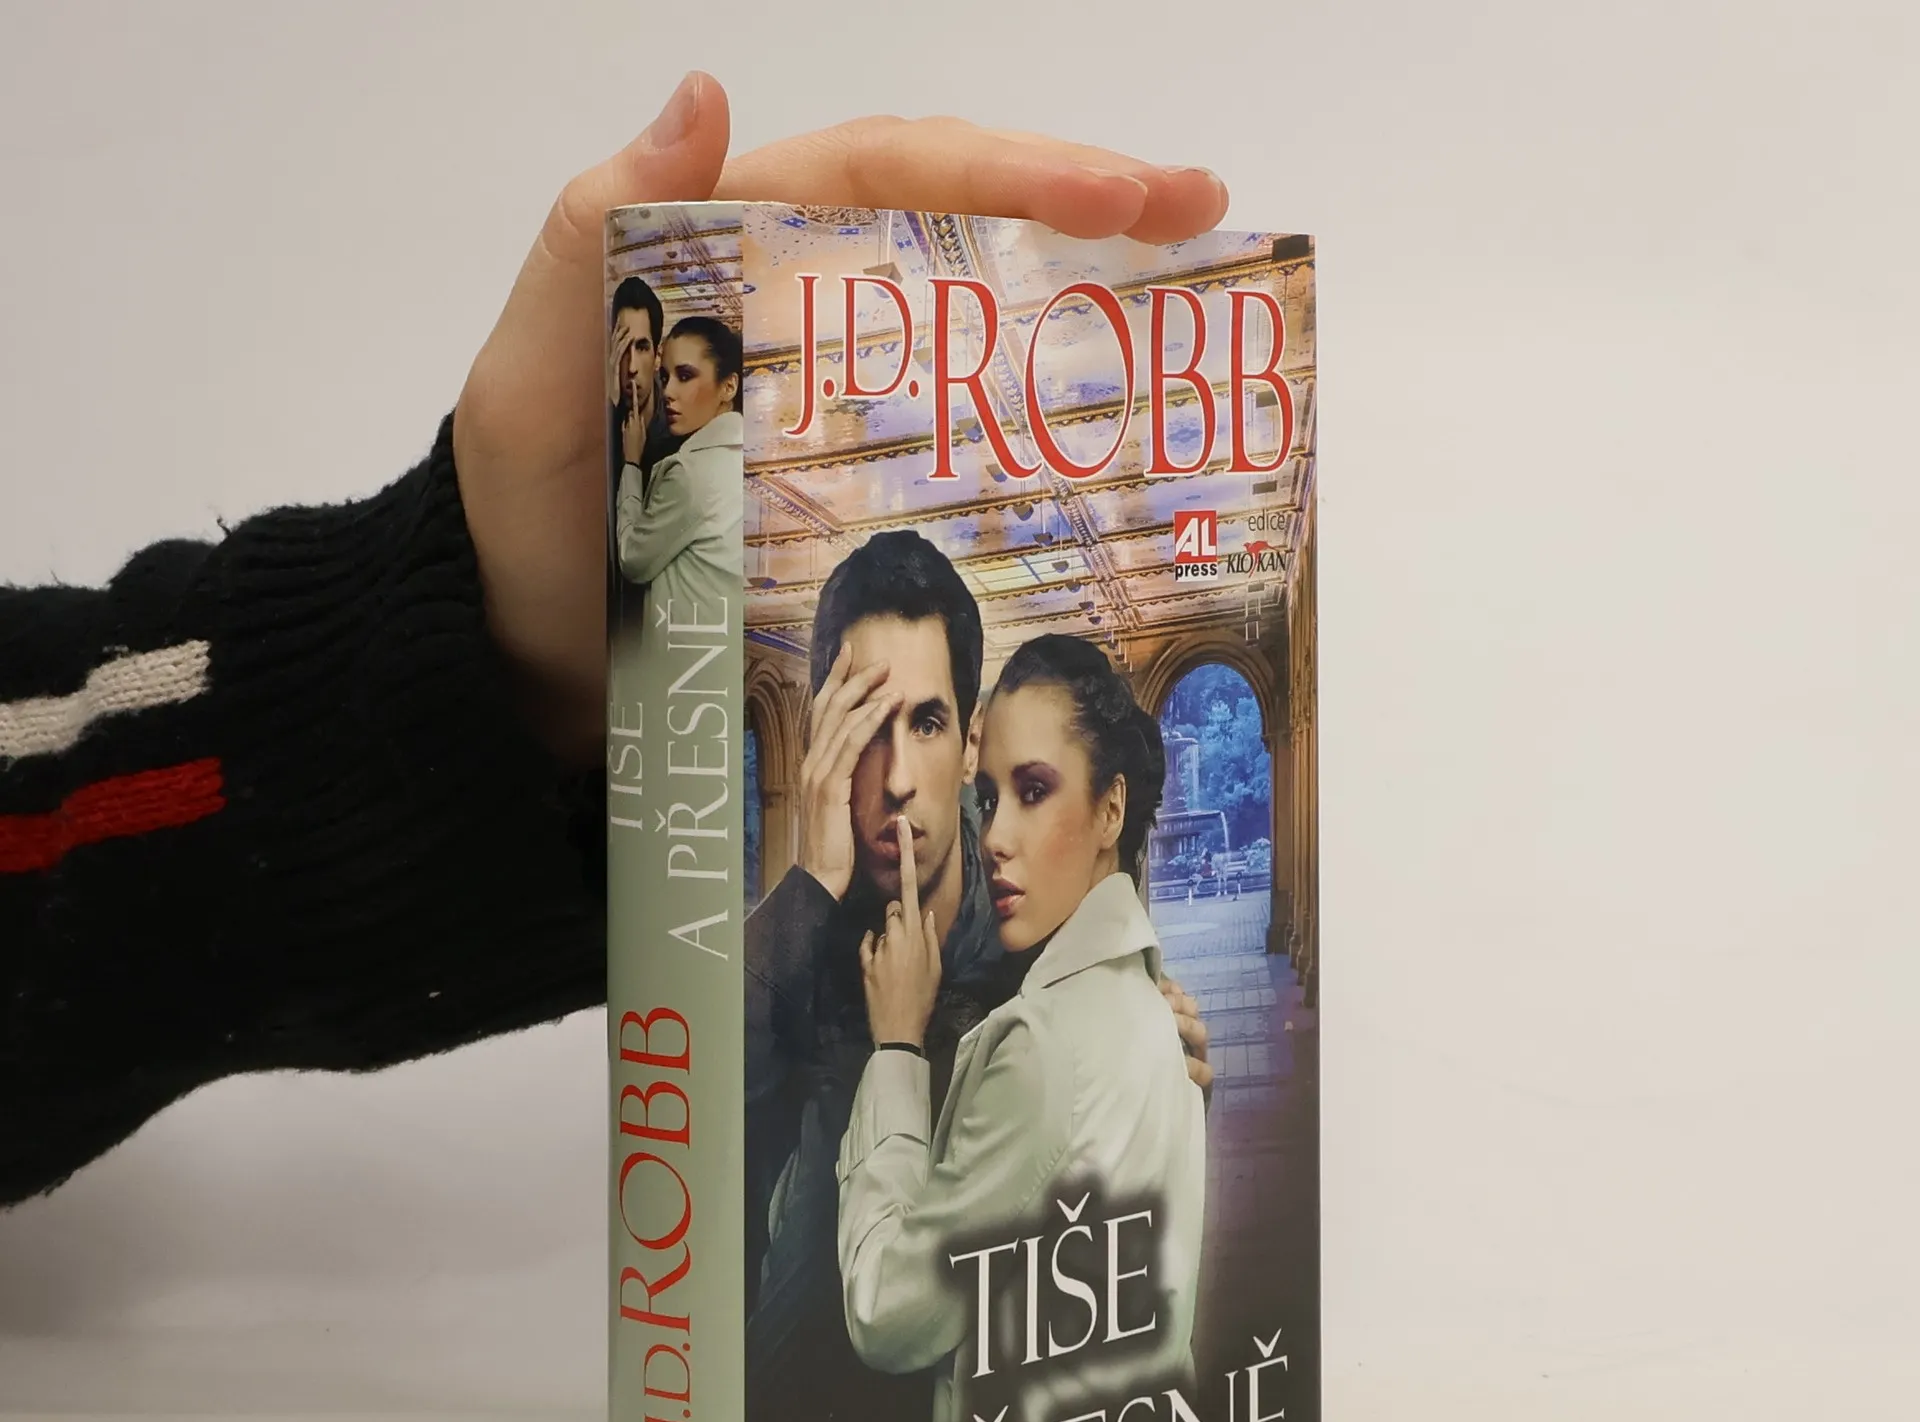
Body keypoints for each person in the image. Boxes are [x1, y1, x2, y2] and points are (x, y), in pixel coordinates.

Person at [1, 68, 1230, 1208]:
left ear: (969, 740)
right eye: (861, 722)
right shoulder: (805, 932)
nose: (895, 776)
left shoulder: (1022, 927)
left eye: (925, 722)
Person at [837, 634, 1207, 1422]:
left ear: (1111, 810)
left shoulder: (1047, 1043)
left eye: (1033, 792)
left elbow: (886, 1313)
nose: (995, 836)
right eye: (989, 797)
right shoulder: (1146, 1008)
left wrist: (895, 1051)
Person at [614, 315, 744, 627]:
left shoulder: (690, 472)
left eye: (685, 376)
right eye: (664, 376)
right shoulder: (742, 455)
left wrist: (631, 464)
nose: (668, 391)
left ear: (728, 386)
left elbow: (632, 558)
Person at [605, 275, 673, 635]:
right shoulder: (601, 421)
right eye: (622, 348)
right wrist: (608, 408)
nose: (631, 366)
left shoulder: (678, 428)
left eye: (642, 347)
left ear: (657, 354)